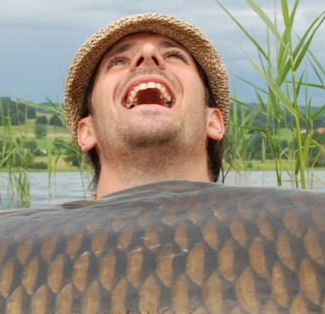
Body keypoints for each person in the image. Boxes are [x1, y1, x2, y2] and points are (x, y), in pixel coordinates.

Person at [64, 13, 230, 197]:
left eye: (174, 55)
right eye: (118, 61)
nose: (148, 53)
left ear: (213, 122)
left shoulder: (267, 220)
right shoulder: (32, 226)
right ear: (87, 132)